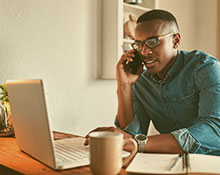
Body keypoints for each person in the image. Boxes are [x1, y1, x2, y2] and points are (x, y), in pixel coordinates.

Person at [85, 9, 220, 155]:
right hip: (169, 162)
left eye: (153, 42)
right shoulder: (140, 80)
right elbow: (131, 135)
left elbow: (214, 130)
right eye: (139, 44)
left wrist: (137, 143)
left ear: (176, 40)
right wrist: (124, 86)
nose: (144, 52)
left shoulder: (205, 68)